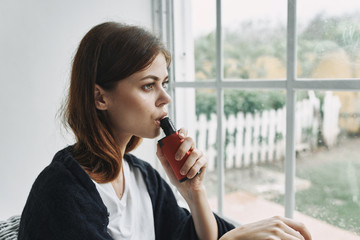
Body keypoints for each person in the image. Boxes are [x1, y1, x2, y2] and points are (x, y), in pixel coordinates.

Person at [18, 22, 312, 240]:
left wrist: (194, 193)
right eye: (148, 85)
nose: (165, 97)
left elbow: (193, 235)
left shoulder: (142, 177)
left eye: (164, 82)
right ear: (100, 98)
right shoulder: (59, 191)